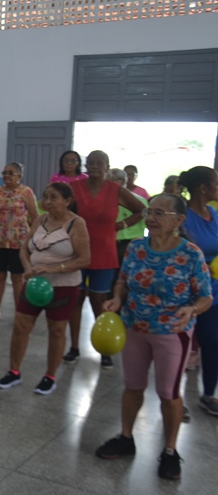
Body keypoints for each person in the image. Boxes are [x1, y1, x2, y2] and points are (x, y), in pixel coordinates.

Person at [96, 193, 212, 481]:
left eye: (160, 213)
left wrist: (191, 309)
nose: (151, 218)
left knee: (168, 394)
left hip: (171, 333)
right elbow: (123, 281)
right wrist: (117, 298)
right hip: (134, 327)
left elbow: (205, 297)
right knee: (132, 386)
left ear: (179, 220)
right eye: (150, 212)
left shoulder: (191, 254)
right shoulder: (136, 247)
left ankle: (170, 450)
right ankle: (126, 437)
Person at [0, 183, 90, 395]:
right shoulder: (40, 219)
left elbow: (84, 259)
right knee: (21, 325)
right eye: (45, 197)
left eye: (54, 197)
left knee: (56, 330)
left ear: (67, 201)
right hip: (34, 284)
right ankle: (14, 372)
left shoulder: (76, 224)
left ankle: (50, 376)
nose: (47, 201)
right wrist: (28, 267)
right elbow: (24, 248)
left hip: (63, 286)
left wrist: (53, 268)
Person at [65, 151, 144, 368]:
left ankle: (104, 348)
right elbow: (62, 210)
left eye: (100, 163)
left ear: (107, 167)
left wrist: (122, 225)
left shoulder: (116, 190)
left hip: (104, 253)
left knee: (99, 301)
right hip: (77, 252)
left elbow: (141, 210)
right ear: (85, 166)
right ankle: (74, 348)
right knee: (75, 299)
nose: (95, 166)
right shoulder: (74, 188)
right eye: (91, 162)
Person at [0, 162, 39, 323]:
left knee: (17, 277)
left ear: (20, 176)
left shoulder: (26, 192)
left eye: (11, 173)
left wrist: (38, 238)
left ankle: (19, 314)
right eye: (4, 173)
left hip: (19, 241)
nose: (6, 176)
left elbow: (35, 217)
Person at [180, 166, 218, 416]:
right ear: (203, 188)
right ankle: (173, 398)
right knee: (180, 345)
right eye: (216, 183)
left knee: (212, 341)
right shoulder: (182, 215)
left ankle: (208, 394)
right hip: (185, 290)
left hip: (212, 291)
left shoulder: (214, 214)